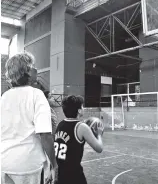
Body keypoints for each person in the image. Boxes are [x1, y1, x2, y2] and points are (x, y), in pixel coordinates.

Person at [1, 52, 57, 184]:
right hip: (27, 165)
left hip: (4, 162)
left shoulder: (4, 97)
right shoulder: (36, 95)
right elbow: (45, 135)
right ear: (27, 71)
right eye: (33, 66)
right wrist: (54, 165)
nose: (36, 69)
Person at [54, 95, 104, 184]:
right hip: (74, 175)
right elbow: (99, 148)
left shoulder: (60, 124)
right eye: (82, 106)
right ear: (79, 110)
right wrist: (99, 135)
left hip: (60, 173)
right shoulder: (81, 127)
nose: (83, 108)